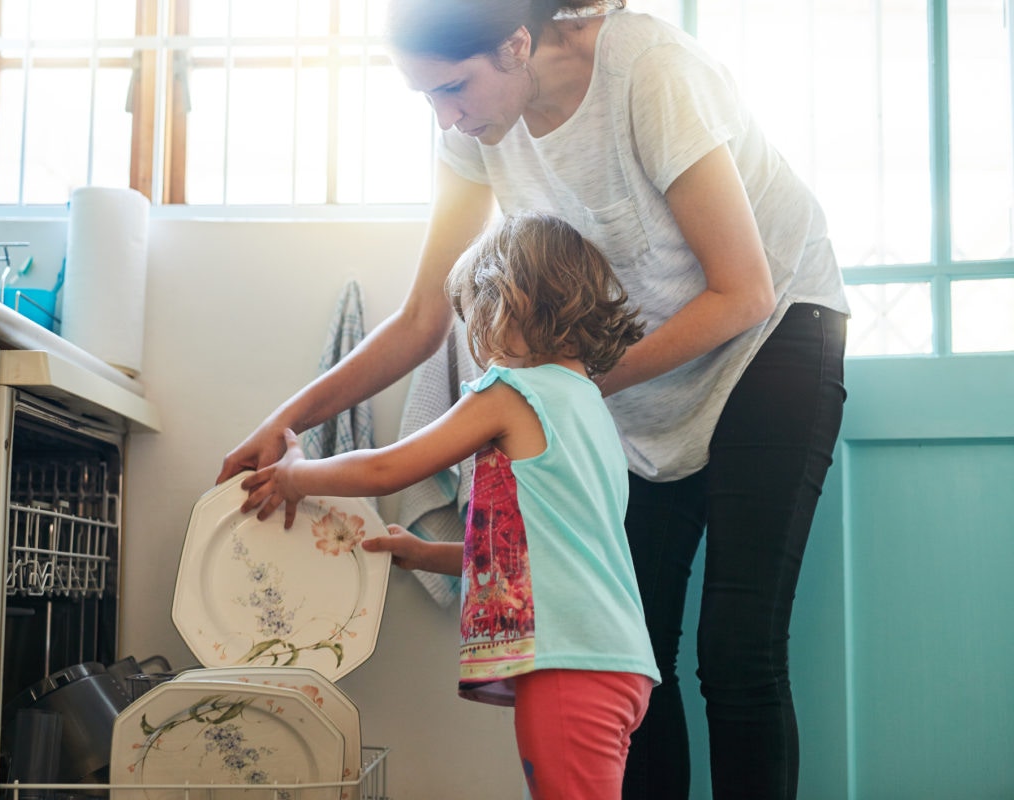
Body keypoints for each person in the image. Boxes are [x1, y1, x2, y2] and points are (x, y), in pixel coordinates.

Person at [219, 2, 849, 798]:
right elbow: (423, 317)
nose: (446, 117)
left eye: (454, 89)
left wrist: (566, 391)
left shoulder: (648, 70)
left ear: (518, 44)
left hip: (771, 336)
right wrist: (283, 423)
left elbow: (743, 291)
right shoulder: (472, 131)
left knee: (736, 649)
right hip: (627, 378)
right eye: (427, 100)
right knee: (637, 650)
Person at [241, 211, 661, 799]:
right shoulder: (590, 407)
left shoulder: (510, 392)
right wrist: (427, 553)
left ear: (504, 302)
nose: (475, 337)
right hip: (616, 662)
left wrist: (298, 476)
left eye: (474, 314)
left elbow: (391, 465)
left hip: (567, 662)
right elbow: (539, 549)